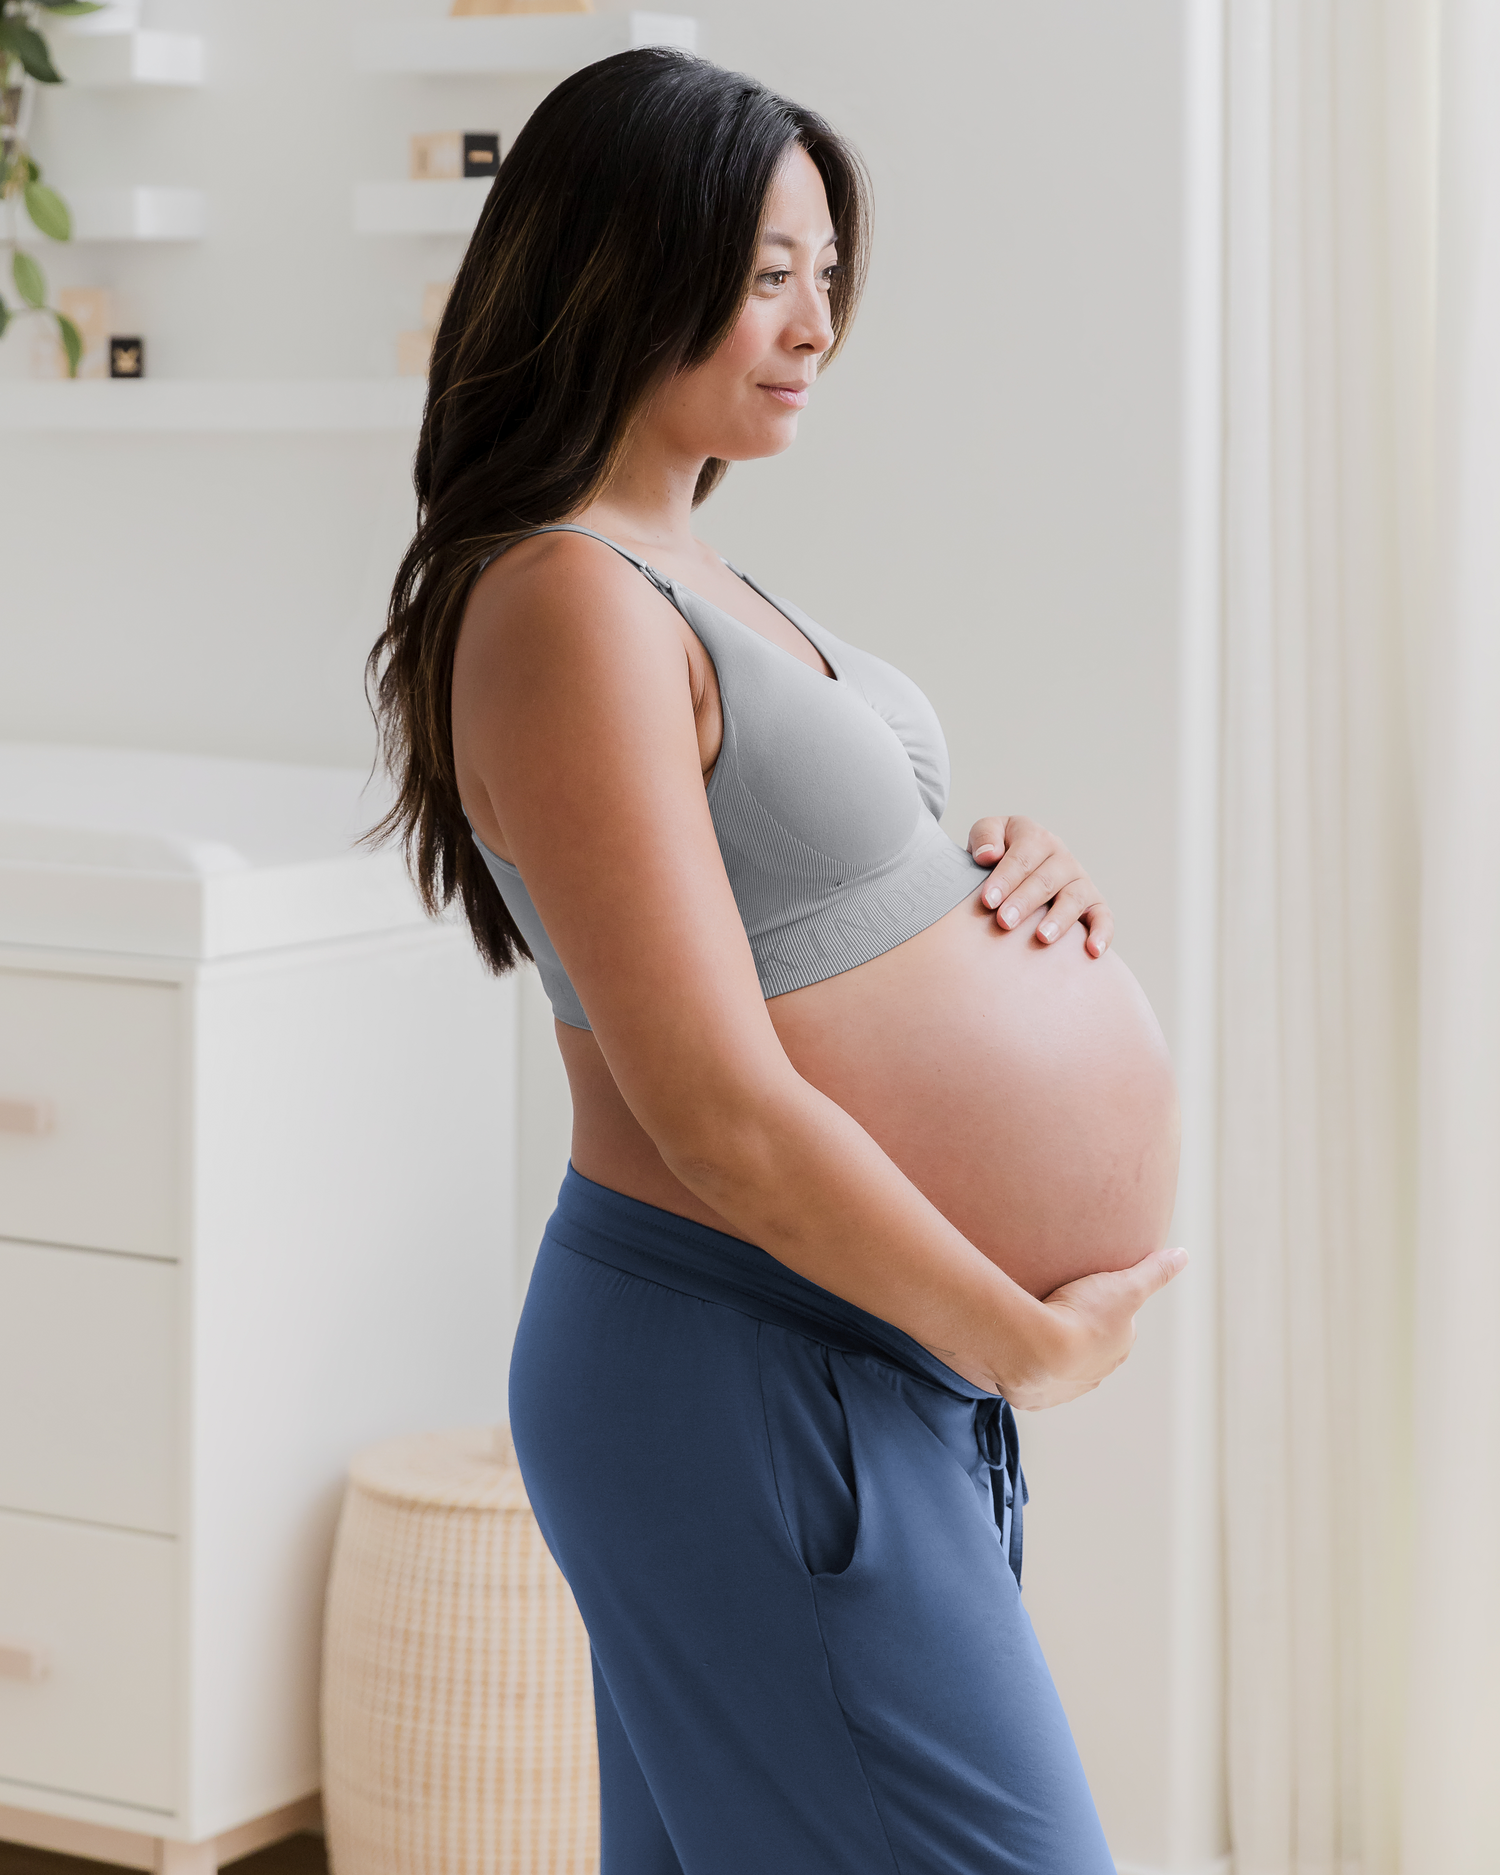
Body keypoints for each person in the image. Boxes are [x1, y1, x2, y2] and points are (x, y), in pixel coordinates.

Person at [370, 47, 1185, 1875]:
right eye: (760, 274)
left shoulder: (690, 570)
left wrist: (998, 862)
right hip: (752, 1345)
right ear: (612, 263)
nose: (813, 324)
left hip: (832, 1348)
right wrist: (1023, 1348)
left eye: (826, 274)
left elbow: (806, 902)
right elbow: (720, 1107)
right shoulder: (566, 593)